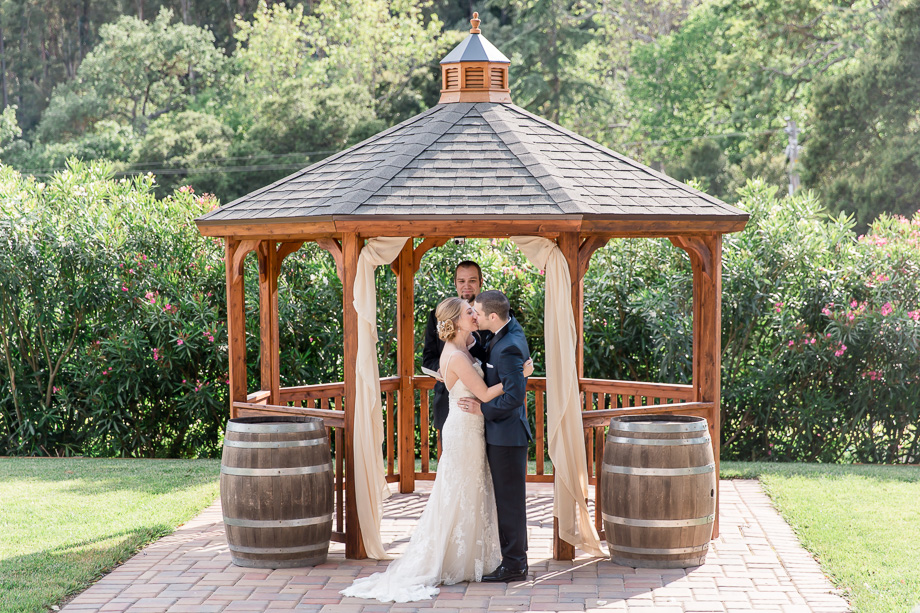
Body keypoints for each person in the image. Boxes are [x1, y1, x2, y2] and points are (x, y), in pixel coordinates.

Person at [341, 297, 505, 603]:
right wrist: (516, 378)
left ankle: (468, 557)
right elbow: (483, 393)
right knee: (460, 491)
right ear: (456, 321)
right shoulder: (455, 356)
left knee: (466, 492)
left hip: (469, 428)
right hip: (463, 432)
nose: (475, 315)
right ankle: (451, 559)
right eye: (470, 312)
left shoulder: (463, 350)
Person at [457, 290, 532, 583]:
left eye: (476, 311)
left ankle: (515, 566)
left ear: (491, 316)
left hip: (507, 437)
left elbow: (514, 396)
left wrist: (481, 410)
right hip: (501, 434)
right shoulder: (504, 330)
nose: (474, 314)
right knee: (506, 500)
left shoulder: (510, 344)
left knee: (510, 503)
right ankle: (514, 560)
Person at [421, 261, 489, 431]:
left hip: (484, 403)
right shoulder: (438, 316)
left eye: (472, 281)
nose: (466, 286)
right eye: (461, 281)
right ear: (455, 283)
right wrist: (441, 370)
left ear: (481, 282)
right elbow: (428, 358)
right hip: (449, 402)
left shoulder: (492, 314)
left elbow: (493, 357)